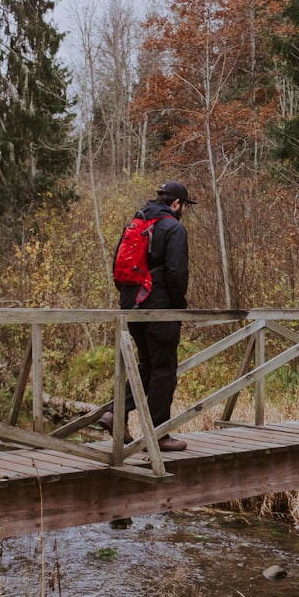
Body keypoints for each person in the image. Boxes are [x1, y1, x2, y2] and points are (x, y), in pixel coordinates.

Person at [100, 181, 195, 452]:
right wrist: (178, 306)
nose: (184, 211)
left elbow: (117, 265)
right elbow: (177, 272)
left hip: (131, 305)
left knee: (147, 367)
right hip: (159, 307)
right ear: (176, 204)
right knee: (164, 371)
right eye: (184, 206)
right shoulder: (174, 228)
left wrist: (129, 298)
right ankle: (159, 435)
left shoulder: (136, 222)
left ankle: (114, 412)